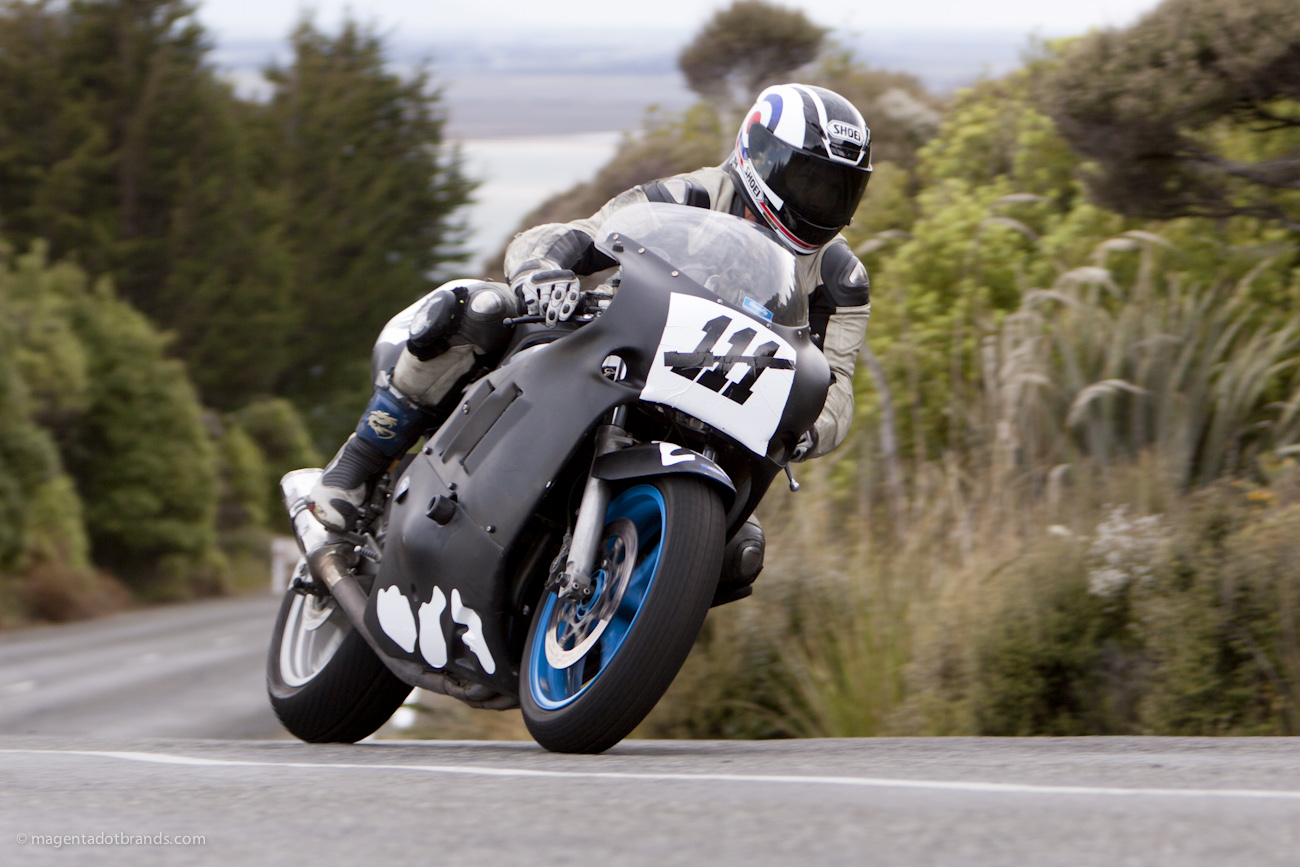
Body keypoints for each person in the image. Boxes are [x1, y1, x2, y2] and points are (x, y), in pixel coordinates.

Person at [307, 83, 874, 543]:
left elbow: (837, 384)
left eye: (837, 189)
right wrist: (544, 273)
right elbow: (590, 234)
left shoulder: (840, 279)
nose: (820, 202)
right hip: (631, 343)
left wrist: (809, 429)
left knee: (740, 551)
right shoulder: (694, 196)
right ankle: (355, 467)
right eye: (809, 180)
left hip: (727, 404)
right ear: (762, 156)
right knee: (476, 309)